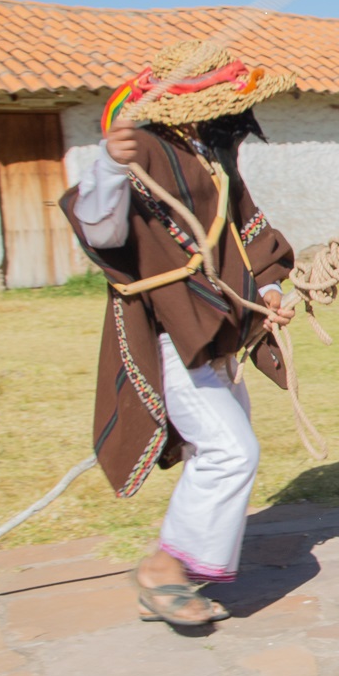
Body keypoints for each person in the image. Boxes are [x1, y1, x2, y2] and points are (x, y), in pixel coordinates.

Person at [60, 40, 297, 626]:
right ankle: (164, 569)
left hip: (219, 331)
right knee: (229, 450)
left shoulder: (215, 157)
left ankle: (177, 567)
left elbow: (247, 232)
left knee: (216, 450)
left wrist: (267, 293)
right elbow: (102, 231)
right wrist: (112, 168)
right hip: (170, 331)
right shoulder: (141, 150)